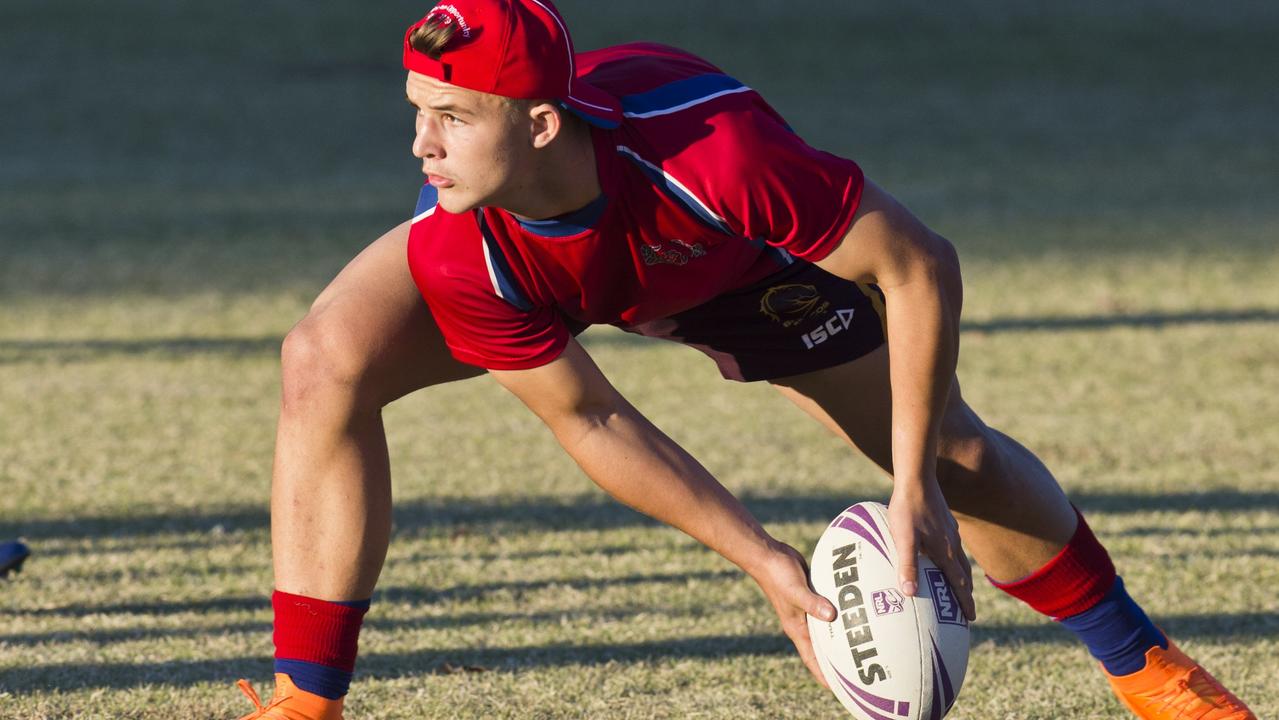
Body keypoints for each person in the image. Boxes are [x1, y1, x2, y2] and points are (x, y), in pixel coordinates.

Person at [233, 1, 1256, 718]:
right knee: (321, 358)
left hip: (734, 274)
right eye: (418, 111)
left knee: (958, 457)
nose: (421, 144)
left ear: (541, 122)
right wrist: (764, 562)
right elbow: (588, 417)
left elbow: (916, 267)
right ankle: (306, 699)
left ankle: (1150, 672)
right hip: (562, 275)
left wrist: (910, 490)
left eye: (451, 117)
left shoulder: (712, 158)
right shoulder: (458, 240)